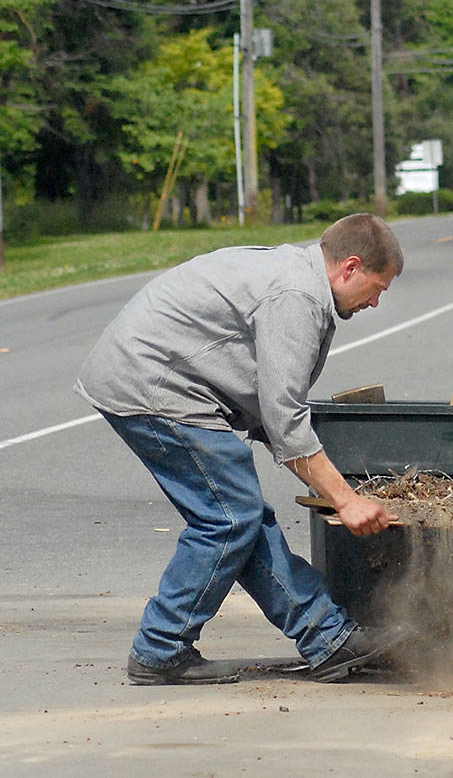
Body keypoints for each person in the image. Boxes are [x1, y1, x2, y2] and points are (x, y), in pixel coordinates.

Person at [76, 213, 406, 685]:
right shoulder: (296, 296)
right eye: (378, 288)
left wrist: (332, 485)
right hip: (152, 385)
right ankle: (160, 649)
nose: (376, 302)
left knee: (240, 514)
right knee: (229, 517)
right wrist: (347, 500)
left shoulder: (301, 280)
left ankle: (326, 637)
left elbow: (274, 420)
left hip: (158, 379)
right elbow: (285, 416)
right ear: (350, 267)